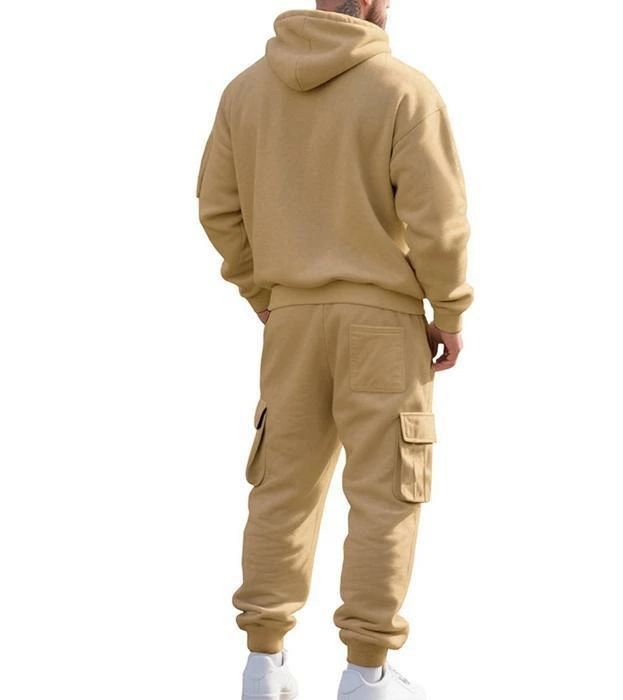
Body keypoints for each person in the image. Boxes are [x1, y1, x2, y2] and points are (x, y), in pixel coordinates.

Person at [197, 1, 473, 698]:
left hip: (290, 319)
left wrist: (263, 290)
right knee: (385, 494)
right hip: (382, 320)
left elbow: (218, 207)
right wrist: (449, 310)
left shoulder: (245, 91)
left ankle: (264, 664)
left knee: (282, 487)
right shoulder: (403, 90)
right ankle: (366, 673)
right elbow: (437, 219)